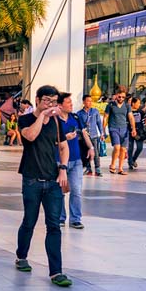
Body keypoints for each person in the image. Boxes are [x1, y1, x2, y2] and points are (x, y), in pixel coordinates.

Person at [14, 85, 72, 287]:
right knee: (29, 221)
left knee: (54, 226)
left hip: (53, 180)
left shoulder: (57, 121)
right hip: (31, 180)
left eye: (54, 101)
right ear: (37, 100)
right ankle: (21, 256)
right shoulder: (26, 119)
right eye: (47, 100)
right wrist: (42, 115)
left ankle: (56, 272)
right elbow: (29, 136)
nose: (51, 104)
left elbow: (63, 147)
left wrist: (63, 169)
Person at [56, 93, 91, 230]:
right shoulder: (54, 120)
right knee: (59, 191)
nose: (71, 104)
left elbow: (84, 133)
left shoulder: (75, 117)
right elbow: (50, 140)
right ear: (60, 105)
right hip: (59, 161)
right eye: (68, 102)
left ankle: (75, 218)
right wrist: (65, 137)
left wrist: (91, 147)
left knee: (76, 190)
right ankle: (60, 217)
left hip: (76, 160)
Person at [105, 92, 132, 175]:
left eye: (123, 97)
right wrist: (103, 129)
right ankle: (113, 165)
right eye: (119, 96)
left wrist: (133, 128)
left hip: (124, 128)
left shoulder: (127, 106)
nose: (121, 98)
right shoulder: (110, 105)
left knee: (123, 149)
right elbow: (106, 117)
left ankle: (120, 168)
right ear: (116, 96)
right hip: (113, 128)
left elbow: (131, 117)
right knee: (117, 147)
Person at [78, 94, 104, 177]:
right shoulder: (79, 113)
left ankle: (97, 169)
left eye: (90, 101)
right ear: (84, 102)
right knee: (86, 153)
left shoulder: (95, 111)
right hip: (84, 137)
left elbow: (99, 123)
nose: (89, 103)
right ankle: (88, 168)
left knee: (95, 152)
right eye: (87, 101)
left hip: (94, 135)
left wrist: (102, 133)